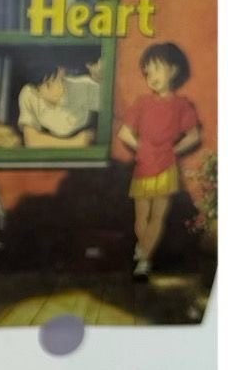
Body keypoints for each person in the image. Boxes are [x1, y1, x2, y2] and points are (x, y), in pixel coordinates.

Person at [118, 42, 201, 279]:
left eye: (157, 69)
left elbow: (193, 135)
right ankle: (144, 247)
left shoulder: (181, 105)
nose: (151, 76)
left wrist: (172, 150)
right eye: (147, 72)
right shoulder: (142, 103)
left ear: (173, 70)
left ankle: (144, 260)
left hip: (166, 168)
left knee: (158, 216)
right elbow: (124, 132)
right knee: (141, 218)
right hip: (144, 167)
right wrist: (141, 147)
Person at [18, 59, 103, 147]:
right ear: (36, 91)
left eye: (59, 80)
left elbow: (110, 108)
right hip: (56, 149)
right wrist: (76, 143)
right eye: (48, 85)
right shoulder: (29, 94)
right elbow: (32, 141)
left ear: (61, 73)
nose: (58, 88)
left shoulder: (84, 87)